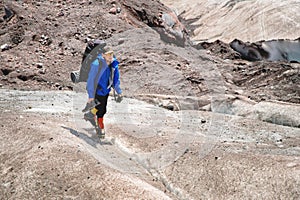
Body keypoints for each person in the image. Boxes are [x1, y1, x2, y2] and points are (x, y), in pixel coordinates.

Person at [84, 45, 123, 139]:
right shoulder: (96, 65)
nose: (110, 56)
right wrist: (90, 95)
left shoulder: (113, 65)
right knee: (101, 110)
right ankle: (100, 126)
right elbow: (90, 81)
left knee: (100, 107)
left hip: (106, 90)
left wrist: (119, 91)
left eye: (111, 54)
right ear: (103, 55)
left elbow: (115, 79)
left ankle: (90, 114)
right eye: (108, 54)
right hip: (97, 90)